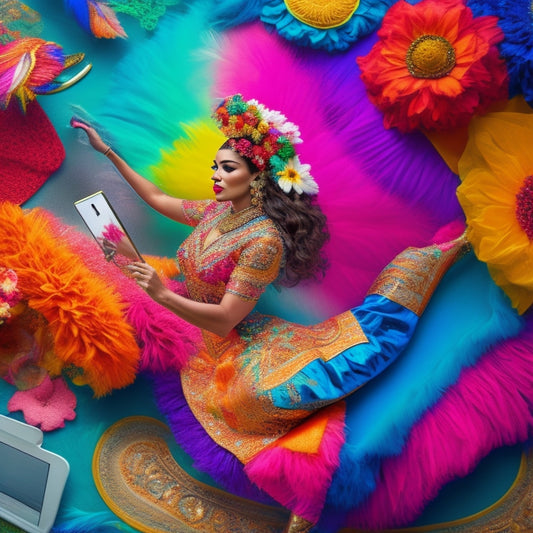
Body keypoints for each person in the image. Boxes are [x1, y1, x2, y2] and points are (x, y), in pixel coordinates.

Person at [72, 94, 470, 532]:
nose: (216, 175)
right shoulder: (215, 213)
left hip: (234, 340)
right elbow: (157, 197)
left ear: (256, 177)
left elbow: (225, 319)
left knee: (254, 403)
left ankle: (444, 254)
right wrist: (107, 151)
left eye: (228, 168)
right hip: (192, 326)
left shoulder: (263, 241)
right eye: (215, 166)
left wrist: (162, 294)